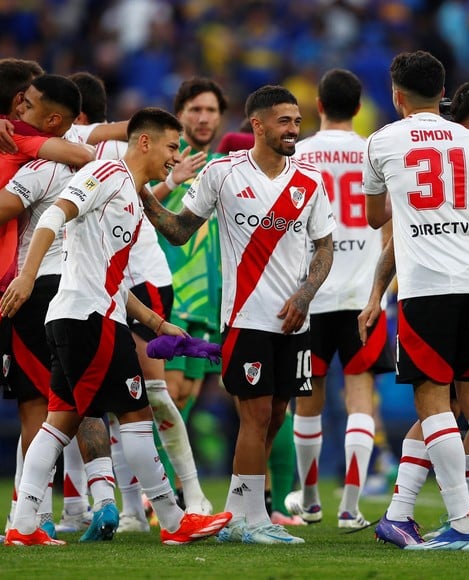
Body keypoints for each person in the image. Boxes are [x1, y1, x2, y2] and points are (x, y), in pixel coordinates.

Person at [0, 107, 233, 546]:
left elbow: (118, 280)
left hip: (85, 316)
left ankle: (23, 525)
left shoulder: (128, 191)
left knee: (58, 423)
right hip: (91, 320)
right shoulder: (105, 172)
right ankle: (173, 519)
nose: (174, 156)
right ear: (144, 142)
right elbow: (54, 217)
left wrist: (158, 322)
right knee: (136, 416)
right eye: (170, 146)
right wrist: (27, 276)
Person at [140, 85, 336, 545]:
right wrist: (143, 195)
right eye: (284, 121)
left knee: (276, 415)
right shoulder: (225, 174)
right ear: (258, 125)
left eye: (296, 120)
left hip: (295, 321)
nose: (294, 128)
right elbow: (180, 230)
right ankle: (253, 521)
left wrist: (305, 295)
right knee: (256, 414)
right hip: (246, 319)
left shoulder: (310, 180)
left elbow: (324, 246)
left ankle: (238, 512)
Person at [0, 74, 119, 543]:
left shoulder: (3, 140)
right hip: (23, 286)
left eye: (32, 100)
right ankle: (93, 501)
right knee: (52, 402)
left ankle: (13, 513)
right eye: (23, 97)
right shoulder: (23, 138)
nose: (25, 104)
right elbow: (92, 149)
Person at [363, 52, 469, 551]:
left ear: (396, 95)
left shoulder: (383, 141)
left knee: (434, 403)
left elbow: (374, 219)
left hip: (425, 289)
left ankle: (463, 520)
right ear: (443, 91)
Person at [283, 68, 393, 530]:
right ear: (359, 105)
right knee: (361, 397)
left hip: (312, 293)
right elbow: (388, 221)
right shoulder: (377, 150)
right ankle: (350, 506)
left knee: (306, 398)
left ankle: (309, 500)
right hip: (365, 294)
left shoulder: (299, 154)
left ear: (318, 106)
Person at [151, 78, 228, 496]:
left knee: (186, 399)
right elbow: (135, 206)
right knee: (168, 394)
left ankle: (168, 491)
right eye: (195, 109)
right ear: (179, 114)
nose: (203, 118)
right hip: (169, 295)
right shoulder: (163, 161)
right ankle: (154, 494)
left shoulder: (224, 167)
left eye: (211, 110)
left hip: (207, 301)